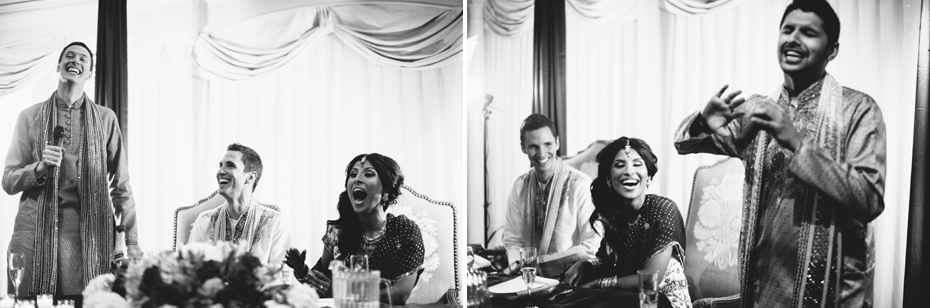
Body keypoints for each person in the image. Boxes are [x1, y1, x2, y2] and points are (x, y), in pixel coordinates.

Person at [673, 1, 885, 306]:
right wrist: (704, 120)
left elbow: (869, 199)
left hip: (833, 296)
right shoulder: (758, 111)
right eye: (788, 29)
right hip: (761, 290)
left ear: (832, 50)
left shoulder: (858, 110)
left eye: (809, 32)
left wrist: (797, 143)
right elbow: (684, 144)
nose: (794, 38)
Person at [2, 42, 139, 298]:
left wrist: (130, 245)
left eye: (83, 58)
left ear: (90, 73)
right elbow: (8, 180)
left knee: (93, 300)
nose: (75, 60)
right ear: (58, 65)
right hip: (34, 236)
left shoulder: (106, 118)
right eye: (69, 56)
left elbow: (121, 187)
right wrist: (39, 168)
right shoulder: (28, 116)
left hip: (91, 237)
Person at [563, 137, 691, 307]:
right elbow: (607, 261)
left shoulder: (663, 209)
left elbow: (650, 279)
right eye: (619, 165)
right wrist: (585, 265)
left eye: (637, 164)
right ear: (609, 179)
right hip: (625, 298)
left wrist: (598, 283)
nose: (629, 171)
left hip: (661, 301)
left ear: (648, 176)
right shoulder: (614, 213)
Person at [284, 153, 424, 305]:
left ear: (387, 191)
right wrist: (301, 269)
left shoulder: (404, 230)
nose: (357, 179)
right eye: (353, 174)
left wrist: (342, 291)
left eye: (369, 174)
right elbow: (321, 286)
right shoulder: (338, 232)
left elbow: (399, 294)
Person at [503, 114, 599, 275]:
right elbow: (513, 240)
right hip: (527, 278)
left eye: (547, 144)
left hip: (570, 278)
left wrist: (544, 264)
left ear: (557, 143)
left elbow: (592, 244)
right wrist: (518, 266)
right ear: (523, 148)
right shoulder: (519, 186)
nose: (541, 153)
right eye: (533, 146)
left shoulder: (580, 184)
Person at [188, 143, 290, 267]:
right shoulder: (204, 221)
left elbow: (282, 279)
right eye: (220, 165)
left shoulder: (275, 223)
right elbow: (189, 271)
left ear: (250, 178)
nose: (220, 171)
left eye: (230, 165)